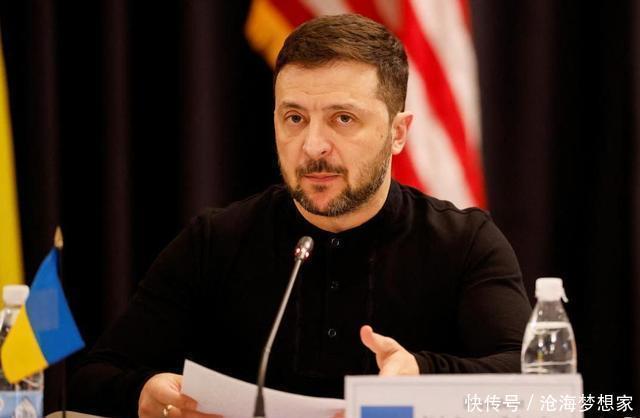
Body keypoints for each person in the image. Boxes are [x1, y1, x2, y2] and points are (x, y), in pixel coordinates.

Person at [69, 13, 531, 418]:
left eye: (342, 119)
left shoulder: (464, 242)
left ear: (398, 133)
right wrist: (144, 394)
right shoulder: (216, 240)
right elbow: (92, 376)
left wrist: (421, 374)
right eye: (294, 118)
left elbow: (532, 384)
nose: (313, 146)